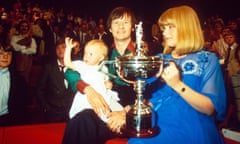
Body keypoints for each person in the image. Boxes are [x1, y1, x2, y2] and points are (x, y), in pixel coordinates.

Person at [127, 5, 226, 144]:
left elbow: (210, 108)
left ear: (187, 27)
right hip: (156, 120)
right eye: (163, 28)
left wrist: (177, 84)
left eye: (170, 27)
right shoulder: (159, 59)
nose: (165, 33)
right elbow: (145, 96)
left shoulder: (207, 59)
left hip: (192, 124)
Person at [62, 6, 137, 144]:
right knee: (83, 118)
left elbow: (153, 93)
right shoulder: (100, 49)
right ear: (110, 28)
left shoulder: (144, 54)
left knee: (82, 123)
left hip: (130, 113)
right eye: (116, 22)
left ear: (133, 27)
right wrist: (88, 89)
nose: (121, 26)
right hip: (102, 109)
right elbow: (70, 71)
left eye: (125, 22)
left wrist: (126, 113)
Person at [64, 37, 123, 121]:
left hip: (103, 95)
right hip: (86, 97)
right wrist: (68, 49)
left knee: (112, 110)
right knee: (85, 116)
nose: (86, 57)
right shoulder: (83, 65)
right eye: (85, 53)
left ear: (101, 58)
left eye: (90, 54)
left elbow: (107, 80)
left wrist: (108, 83)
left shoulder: (104, 68)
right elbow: (67, 63)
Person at [36, 38, 74, 123]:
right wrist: (46, 107)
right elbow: (39, 90)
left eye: (63, 47)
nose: (60, 50)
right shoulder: (48, 67)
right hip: (53, 112)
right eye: (58, 48)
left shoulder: (75, 67)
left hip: (71, 111)